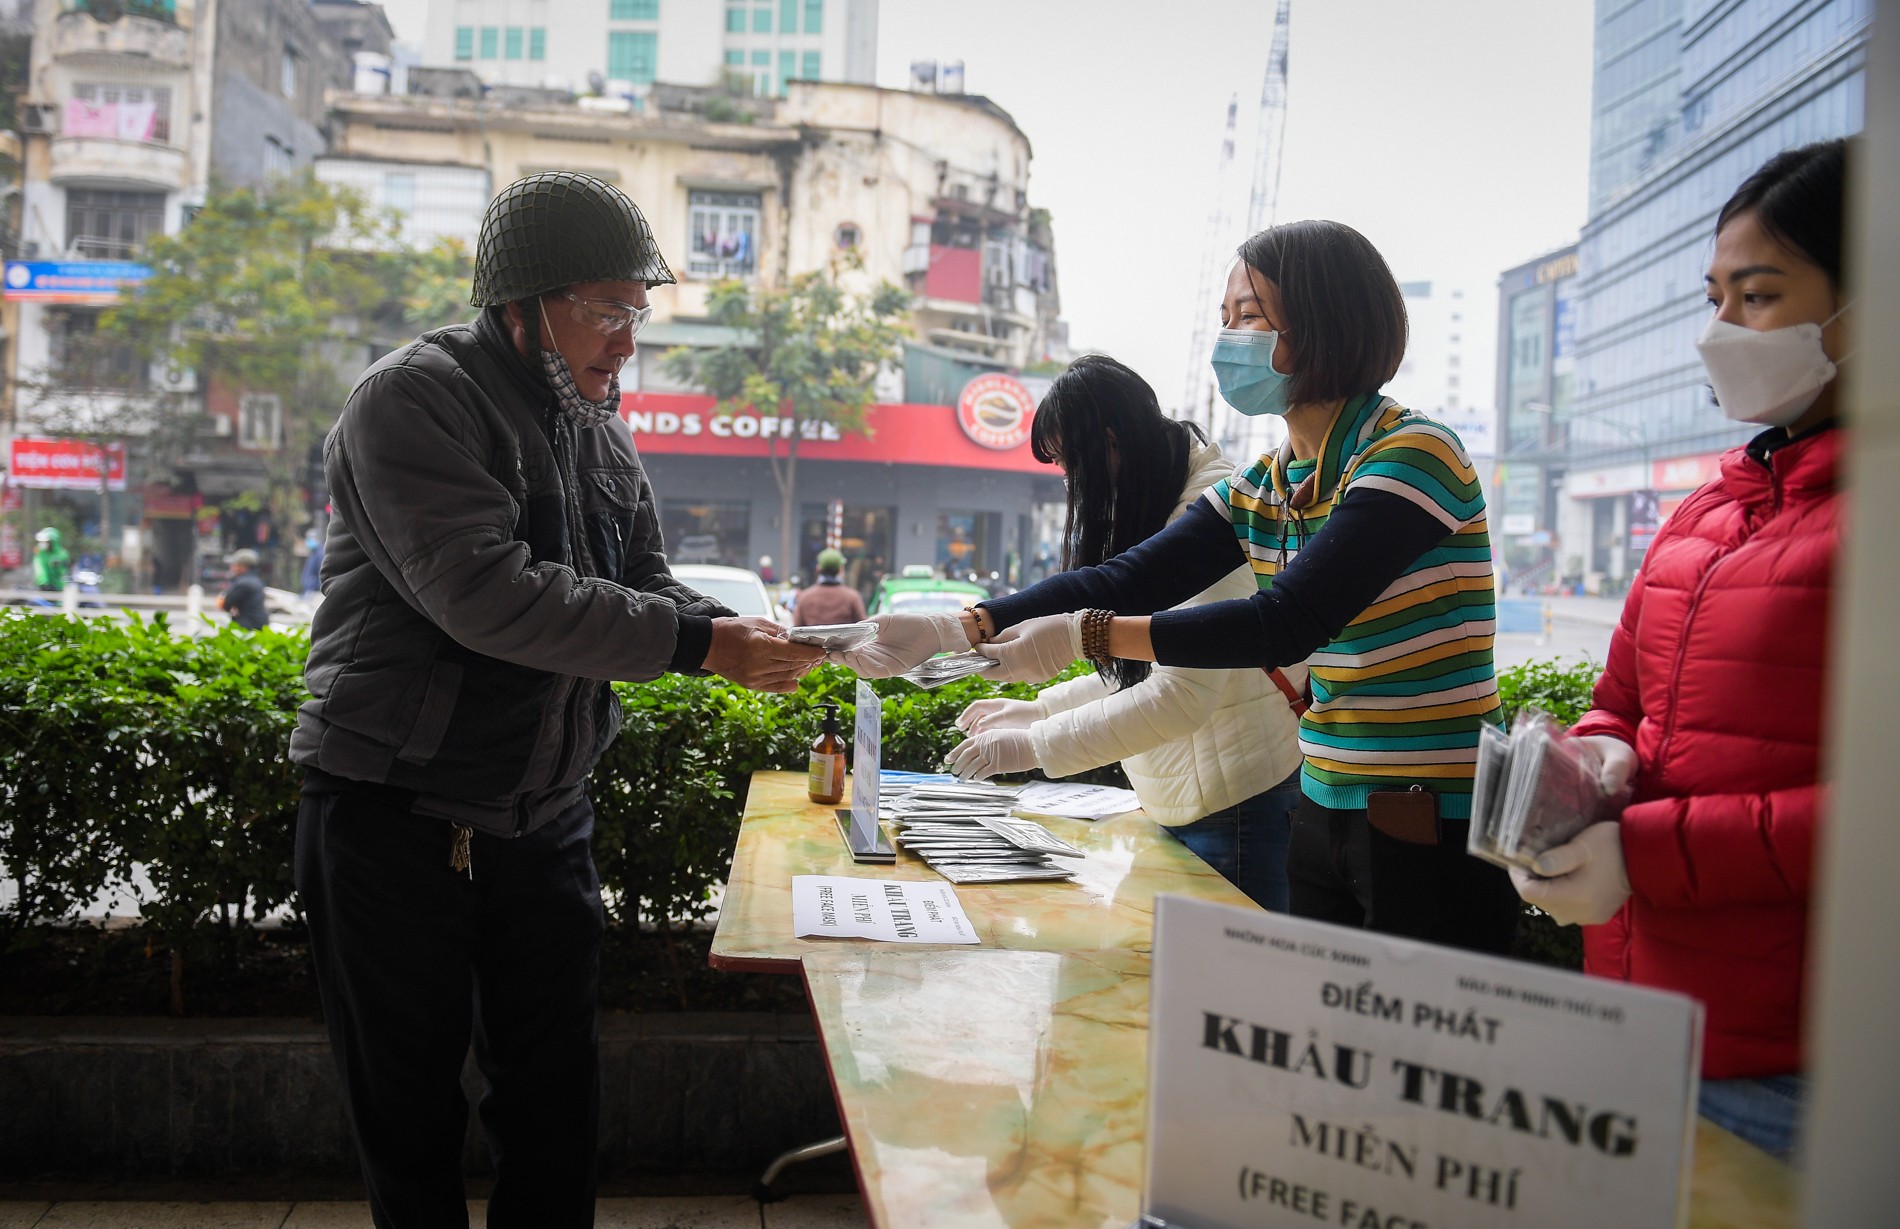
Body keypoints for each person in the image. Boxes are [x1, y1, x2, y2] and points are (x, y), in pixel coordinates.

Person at [288, 171, 822, 1228]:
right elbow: (486, 595)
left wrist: (743, 632)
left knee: (558, 1107)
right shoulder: (413, 399)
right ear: (519, 300)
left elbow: (641, 582)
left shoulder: (598, 425)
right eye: (607, 307)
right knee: (407, 1116)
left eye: (639, 310)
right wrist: (693, 643)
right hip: (392, 811)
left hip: (542, 819)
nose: (627, 339)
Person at [838, 220, 1518, 953]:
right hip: (1324, 801)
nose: (1231, 338)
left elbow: (1285, 621)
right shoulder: (1270, 481)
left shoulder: (1412, 454)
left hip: (1425, 814)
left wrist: (1080, 635)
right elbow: (1132, 576)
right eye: (1224, 318)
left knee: (1418, 1055)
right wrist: (958, 627)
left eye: (1249, 316)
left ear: (1324, 322)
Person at [1507, 140, 1850, 1162]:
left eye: (1755, 296)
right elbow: (1619, 697)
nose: (1719, 332)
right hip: (1639, 1015)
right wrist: (1599, 757)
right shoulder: (1707, 508)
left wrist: (1645, 854)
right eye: (1714, 296)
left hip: (1795, 1064)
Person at [947, 355, 1306, 910]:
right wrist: (1041, 709)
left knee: (1227, 991)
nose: (1070, 481)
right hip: (1192, 798)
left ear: (1111, 445)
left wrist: (1034, 744)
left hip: (1238, 806)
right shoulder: (1161, 500)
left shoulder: (1206, 517)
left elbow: (1181, 695)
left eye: (1071, 462)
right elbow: (1146, 664)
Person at [793, 548, 868, 625]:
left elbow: (796, 629)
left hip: (812, 637)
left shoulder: (805, 597)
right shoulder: (852, 597)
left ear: (818, 569)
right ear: (840, 569)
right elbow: (864, 627)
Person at [220, 548, 269, 629]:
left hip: (247, 626)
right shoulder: (256, 580)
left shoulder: (243, 583)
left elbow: (225, 604)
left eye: (234, 564)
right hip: (259, 624)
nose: (232, 567)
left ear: (242, 566)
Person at [31, 527, 69, 593]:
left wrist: (57, 566)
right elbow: (39, 570)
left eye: (45, 542)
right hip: (44, 587)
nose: (42, 544)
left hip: (59, 587)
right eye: (41, 542)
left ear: (52, 542)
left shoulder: (62, 554)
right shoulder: (40, 554)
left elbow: (64, 571)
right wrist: (43, 583)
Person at [300, 526, 325, 599]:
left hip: (315, 592)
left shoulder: (321, 554)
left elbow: (321, 574)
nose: (308, 541)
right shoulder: (313, 553)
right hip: (308, 590)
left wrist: (314, 589)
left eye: (310, 539)